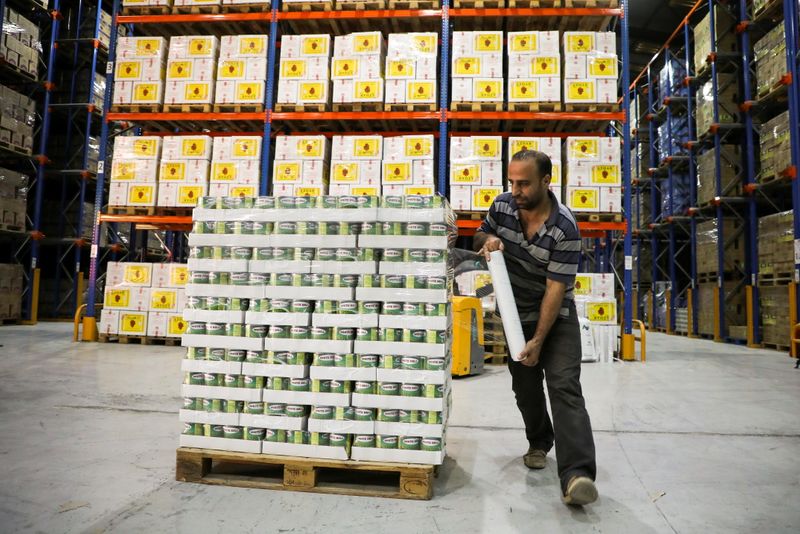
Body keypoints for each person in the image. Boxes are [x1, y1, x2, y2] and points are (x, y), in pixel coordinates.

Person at [472, 149, 598, 506]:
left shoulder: (565, 228)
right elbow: (478, 236)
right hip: (514, 315)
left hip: (555, 318)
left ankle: (577, 475)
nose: (516, 189)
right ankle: (540, 441)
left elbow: (556, 291)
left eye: (524, 183)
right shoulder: (502, 207)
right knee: (525, 389)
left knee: (564, 386)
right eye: (512, 181)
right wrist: (488, 242)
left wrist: (539, 340)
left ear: (546, 180)